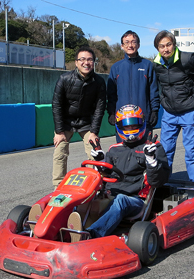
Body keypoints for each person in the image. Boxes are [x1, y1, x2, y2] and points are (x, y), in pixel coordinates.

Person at [68, 105, 170, 240]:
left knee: (120, 200)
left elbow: (157, 181)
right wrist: (101, 160)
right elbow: (105, 176)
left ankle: (91, 235)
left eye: (133, 125)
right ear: (119, 127)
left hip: (135, 200)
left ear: (142, 124)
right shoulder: (114, 149)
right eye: (126, 126)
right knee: (81, 195)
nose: (130, 130)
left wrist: (151, 159)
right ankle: (61, 225)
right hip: (109, 195)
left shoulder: (153, 148)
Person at [52, 46, 106, 188]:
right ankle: (58, 186)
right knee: (60, 153)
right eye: (82, 59)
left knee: (95, 154)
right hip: (66, 122)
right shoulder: (64, 79)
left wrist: (94, 132)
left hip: (86, 123)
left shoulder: (99, 82)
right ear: (76, 62)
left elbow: (100, 109)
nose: (86, 63)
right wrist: (59, 132)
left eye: (89, 59)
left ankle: (95, 186)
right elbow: (56, 105)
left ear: (94, 62)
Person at [153, 30, 194, 183]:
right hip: (169, 113)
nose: (165, 49)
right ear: (157, 48)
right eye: (162, 46)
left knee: (191, 150)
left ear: (174, 45)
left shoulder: (187, 59)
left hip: (190, 110)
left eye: (168, 45)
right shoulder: (156, 65)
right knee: (165, 150)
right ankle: (164, 183)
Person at [107, 30, 160, 142]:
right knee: (123, 154)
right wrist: (111, 113)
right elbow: (111, 94)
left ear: (138, 45)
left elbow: (153, 91)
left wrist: (154, 111)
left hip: (143, 119)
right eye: (126, 42)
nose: (130, 45)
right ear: (122, 46)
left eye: (133, 42)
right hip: (123, 120)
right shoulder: (116, 67)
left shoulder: (147, 65)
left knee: (145, 153)